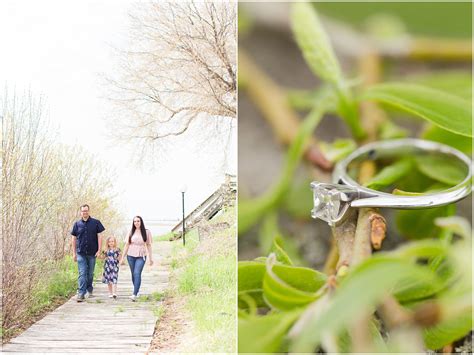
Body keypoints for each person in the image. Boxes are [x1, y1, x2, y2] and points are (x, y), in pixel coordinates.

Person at [71, 204, 105, 302]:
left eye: (86, 211)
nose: (84, 212)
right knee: (82, 273)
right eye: (83, 211)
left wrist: (99, 250)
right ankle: (81, 293)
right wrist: (74, 253)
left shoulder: (96, 222)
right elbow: (73, 239)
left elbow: (100, 237)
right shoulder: (77, 224)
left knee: (90, 273)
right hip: (80, 253)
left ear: (89, 211)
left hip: (92, 253)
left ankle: (89, 289)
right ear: (80, 212)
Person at [120, 216, 153, 301]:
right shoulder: (131, 231)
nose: (136, 223)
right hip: (130, 255)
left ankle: (134, 294)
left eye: (138, 221)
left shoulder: (146, 232)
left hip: (141, 255)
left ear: (141, 222)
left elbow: (149, 245)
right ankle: (137, 291)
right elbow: (126, 245)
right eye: (135, 221)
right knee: (133, 274)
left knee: (137, 273)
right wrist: (122, 258)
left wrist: (150, 258)